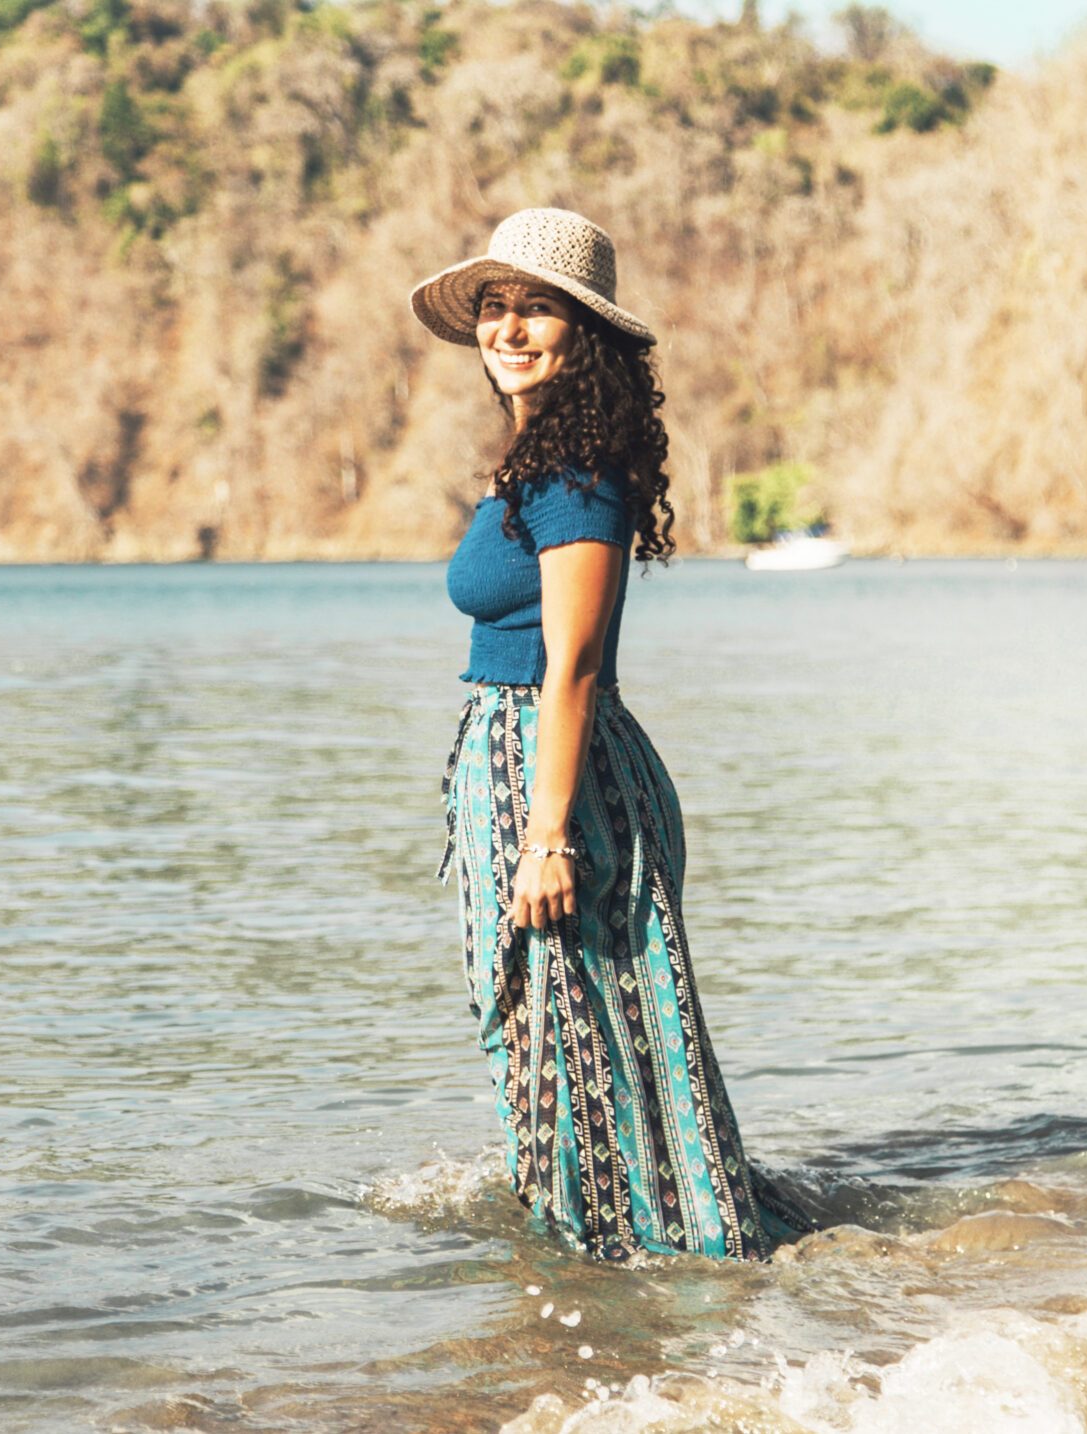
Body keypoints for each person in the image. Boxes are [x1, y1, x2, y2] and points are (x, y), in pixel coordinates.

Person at [414, 207, 815, 1263]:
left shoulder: (576, 475)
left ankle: (632, 1250)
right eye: (493, 308)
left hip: (558, 773)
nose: (506, 329)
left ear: (580, 332)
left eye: (533, 308)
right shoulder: (535, 462)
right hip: (523, 762)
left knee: (575, 1018)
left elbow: (575, 666)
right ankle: (597, 1240)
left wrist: (546, 836)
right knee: (544, 1015)